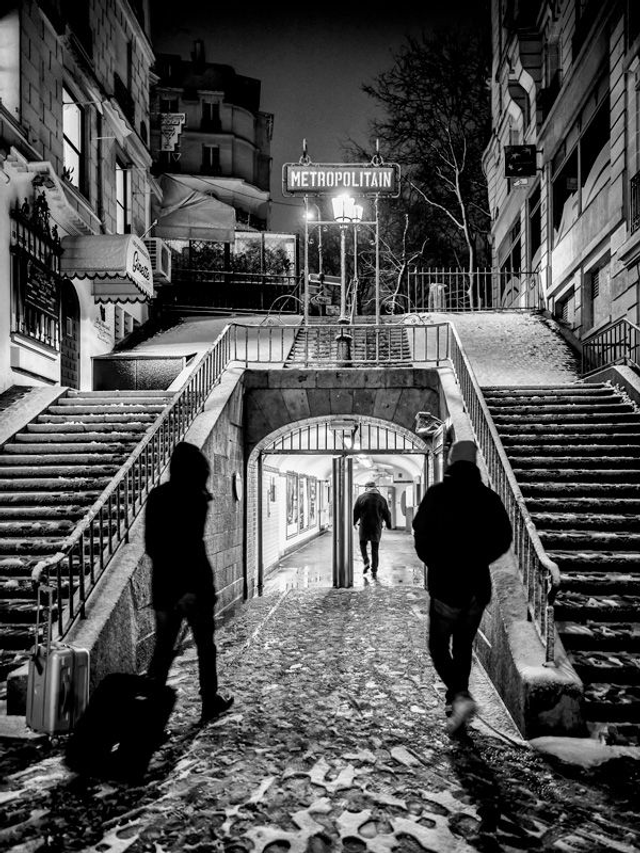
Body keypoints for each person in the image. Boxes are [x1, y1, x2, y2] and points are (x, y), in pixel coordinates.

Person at [412, 440, 512, 735]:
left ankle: (459, 695)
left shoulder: (437, 494)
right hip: (477, 587)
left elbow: (421, 534)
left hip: (446, 585)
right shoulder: (488, 498)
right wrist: (479, 559)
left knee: (438, 645)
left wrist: (436, 561)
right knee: (464, 645)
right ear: (475, 463)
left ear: (451, 462)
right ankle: (455, 699)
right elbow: (504, 537)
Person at [145, 441, 233, 723]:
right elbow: (191, 545)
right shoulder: (196, 498)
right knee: (205, 647)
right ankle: (209, 702)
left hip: (164, 587)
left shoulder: (157, 496)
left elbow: (153, 545)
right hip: (194, 587)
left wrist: (172, 588)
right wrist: (190, 589)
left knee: (162, 651)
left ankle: (150, 712)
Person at [353, 480, 392, 578]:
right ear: (375, 488)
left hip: (364, 526)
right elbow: (387, 513)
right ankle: (374, 570)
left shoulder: (361, 498)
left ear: (366, 488)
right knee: (375, 548)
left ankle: (366, 560)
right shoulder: (381, 499)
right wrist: (389, 524)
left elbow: (355, 512)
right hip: (376, 526)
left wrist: (353, 522)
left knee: (363, 544)